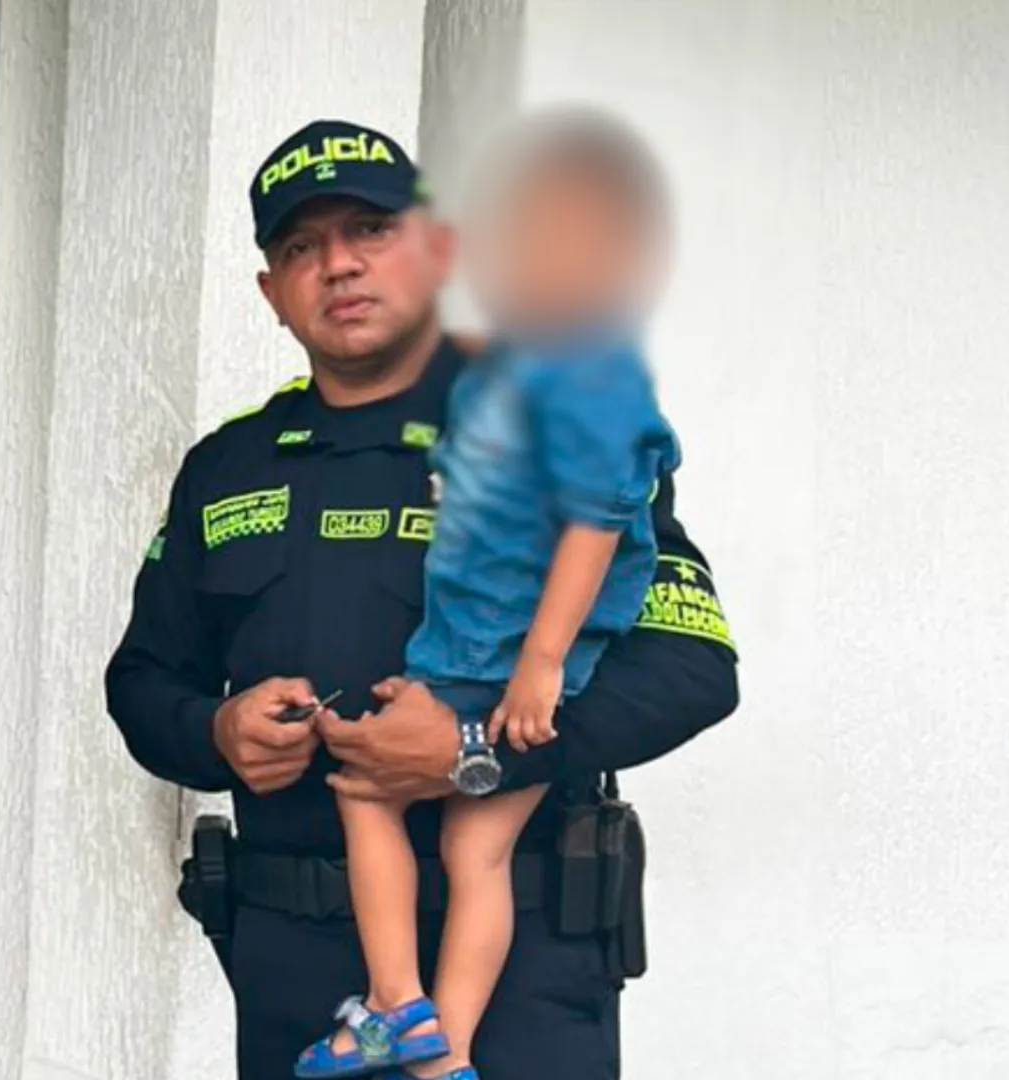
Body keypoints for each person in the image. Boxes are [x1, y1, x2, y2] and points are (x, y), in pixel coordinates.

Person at [105, 119, 739, 1080]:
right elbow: (145, 680)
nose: (339, 266)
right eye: (300, 247)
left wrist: (474, 755)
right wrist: (215, 731)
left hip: (521, 979)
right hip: (297, 982)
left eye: (370, 230)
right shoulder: (225, 469)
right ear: (273, 293)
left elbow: (692, 666)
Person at [292, 112, 678, 1080]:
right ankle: (435, 1049)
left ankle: (401, 1012)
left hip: (492, 678)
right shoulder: (507, 377)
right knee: (462, 847)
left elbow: (691, 666)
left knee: (370, 793)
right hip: (457, 662)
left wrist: (486, 731)